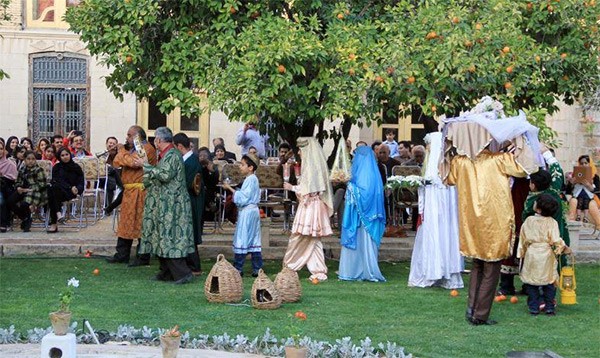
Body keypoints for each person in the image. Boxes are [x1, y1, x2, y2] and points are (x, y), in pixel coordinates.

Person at [446, 147, 529, 326]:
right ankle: (480, 314)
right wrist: (521, 146)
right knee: (491, 269)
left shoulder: (461, 161)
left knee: (477, 265)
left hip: (472, 223)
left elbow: (449, 179)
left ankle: (472, 309)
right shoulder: (499, 159)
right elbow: (524, 169)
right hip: (493, 222)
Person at [136, 126, 195, 284]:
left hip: (173, 205)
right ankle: (166, 272)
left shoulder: (172, 155)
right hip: (165, 204)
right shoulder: (165, 155)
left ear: (158, 140)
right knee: (162, 236)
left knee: (171, 237)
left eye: (155, 139)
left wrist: (146, 165)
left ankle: (182, 273)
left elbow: (165, 175)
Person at [408, 132, 463, 289]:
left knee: (441, 234)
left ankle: (443, 271)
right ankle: (435, 270)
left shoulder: (441, 174)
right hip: (437, 214)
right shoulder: (437, 173)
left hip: (439, 214)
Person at [283, 137, 334, 282]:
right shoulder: (314, 165)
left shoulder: (311, 166)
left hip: (310, 206)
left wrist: (292, 187)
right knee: (313, 239)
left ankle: (290, 266)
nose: (299, 152)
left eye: (300, 149)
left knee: (299, 236)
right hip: (313, 205)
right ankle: (318, 270)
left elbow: (309, 191)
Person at [106, 126, 157, 265]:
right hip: (130, 192)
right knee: (125, 224)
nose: (127, 138)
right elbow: (117, 163)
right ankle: (122, 254)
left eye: (129, 135)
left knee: (141, 224)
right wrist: (117, 154)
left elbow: (133, 162)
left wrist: (121, 150)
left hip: (141, 192)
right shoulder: (133, 149)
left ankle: (143, 257)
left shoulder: (145, 148)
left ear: (137, 137)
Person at [338, 146, 386, 282]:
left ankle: (352, 271)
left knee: (359, 243)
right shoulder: (375, 176)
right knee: (367, 244)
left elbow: (363, 194)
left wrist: (349, 186)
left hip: (360, 220)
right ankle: (364, 269)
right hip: (370, 219)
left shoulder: (363, 176)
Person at [518, 194, 570, 316]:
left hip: (532, 253)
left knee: (531, 282)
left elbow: (523, 238)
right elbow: (556, 239)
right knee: (549, 281)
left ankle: (534, 307)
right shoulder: (552, 222)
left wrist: (521, 253)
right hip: (546, 254)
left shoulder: (529, 221)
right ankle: (549, 307)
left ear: (538, 208)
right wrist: (560, 249)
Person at [222, 154, 263, 276]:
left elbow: (243, 198)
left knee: (242, 237)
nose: (240, 167)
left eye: (242, 164)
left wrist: (230, 188)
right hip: (252, 212)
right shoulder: (251, 179)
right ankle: (256, 268)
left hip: (248, 213)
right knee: (253, 239)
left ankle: (238, 268)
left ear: (250, 167)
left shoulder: (251, 179)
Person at [173, 133, 203, 276]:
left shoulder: (191, 162)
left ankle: (194, 266)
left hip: (191, 202)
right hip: (189, 200)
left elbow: (184, 184)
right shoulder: (189, 160)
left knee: (190, 233)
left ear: (179, 147)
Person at [7, 151, 48, 232]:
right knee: (10, 201)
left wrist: (29, 189)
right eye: (28, 159)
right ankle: (24, 217)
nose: (30, 161)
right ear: (24, 160)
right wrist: (18, 187)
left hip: (35, 192)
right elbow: (18, 181)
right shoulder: (22, 169)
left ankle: (27, 221)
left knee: (24, 204)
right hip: (23, 190)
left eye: (33, 159)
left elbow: (42, 184)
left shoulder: (38, 170)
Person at [46, 148, 84, 233]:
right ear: (59, 157)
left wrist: (77, 189)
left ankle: (54, 222)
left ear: (70, 155)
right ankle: (58, 214)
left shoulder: (76, 167)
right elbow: (56, 181)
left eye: (67, 154)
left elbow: (81, 182)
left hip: (70, 193)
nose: (65, 157)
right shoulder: (57, 167)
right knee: (53, 189)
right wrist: (69, 187)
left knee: (52, 192)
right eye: (62, 155)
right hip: (60, 190)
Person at [566, 154, 600, 229]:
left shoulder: (595, 177)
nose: (584, 165)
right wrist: (571, 183)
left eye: (586, 163)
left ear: (589, 163)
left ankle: (598, 225)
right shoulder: (575, 175)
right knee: (573, 201)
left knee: (592, 205)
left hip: (590, 198)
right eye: (581, 163)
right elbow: (568, 191)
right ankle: (571, 225)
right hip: (576, 197)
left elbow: (598, 191)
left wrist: (588, 185)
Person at [0, 140, 18, 232]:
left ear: (4, 151)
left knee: (1, 199)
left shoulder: (10, 164)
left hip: (5, 189)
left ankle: (3, 223)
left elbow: (14, 179)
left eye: (1, 149)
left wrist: (3, 176)